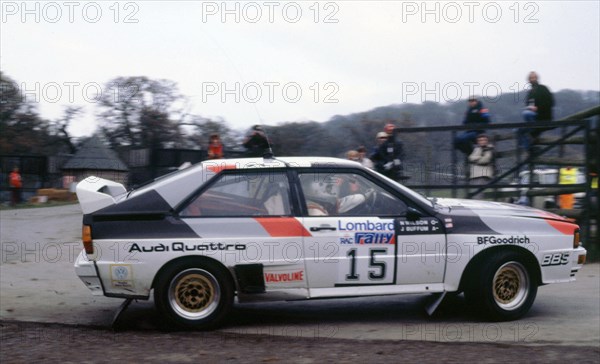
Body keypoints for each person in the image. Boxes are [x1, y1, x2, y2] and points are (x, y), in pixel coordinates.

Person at [518, 71, 555, 150]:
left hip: (543, 117)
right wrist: (529, 107)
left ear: (537, 78)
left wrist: (538, 108)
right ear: (528, 80)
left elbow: (551, 102)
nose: (533, 79)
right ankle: (530, 149)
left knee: (526, 114)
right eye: (531, 78)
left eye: (534, 77)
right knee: (517, 130)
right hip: (533, 118)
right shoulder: (530, 92)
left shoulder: (543, 88)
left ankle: (532, 133)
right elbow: (527, 104)